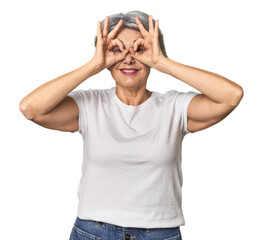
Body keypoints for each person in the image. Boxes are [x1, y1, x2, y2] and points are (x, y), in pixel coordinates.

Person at [19, 10, 243, 240]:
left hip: (159, 234)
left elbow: (231, 96)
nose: (128, 58)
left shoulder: (174, 107)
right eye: (117, 50)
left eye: (140, 49)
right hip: (93, 232)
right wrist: (94, 65)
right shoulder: (90, 104)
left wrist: (161, 62)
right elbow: (31, 108)